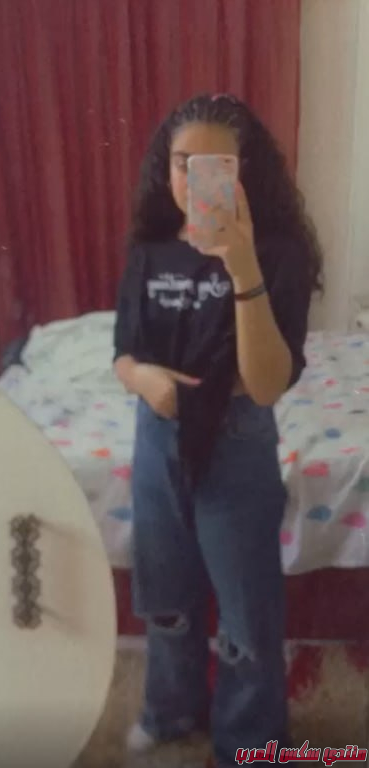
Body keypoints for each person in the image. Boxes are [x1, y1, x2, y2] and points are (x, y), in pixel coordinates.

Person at [113, 94, 322, 768]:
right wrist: (144, 382)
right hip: (158, 435)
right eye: (184, 163)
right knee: (165, 597)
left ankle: (248, 742)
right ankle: (170, 710)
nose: (195, 178)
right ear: (166, 167)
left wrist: (242, 266)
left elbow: (266, 384)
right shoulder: (149, 248)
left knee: (246, 610)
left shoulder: (279, 254)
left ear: (243, 170)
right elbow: (123, 352)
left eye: (216, 165)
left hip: (236, 438)